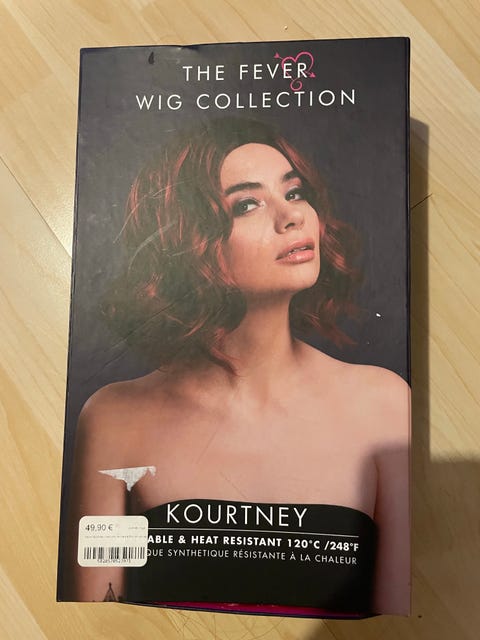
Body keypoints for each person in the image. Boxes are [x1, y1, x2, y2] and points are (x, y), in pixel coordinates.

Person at [66, 118, 410, 615]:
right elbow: (95, 624)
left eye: (295, 192)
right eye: (247, 204)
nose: (291, 216)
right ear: (188, 238)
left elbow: (402, 626)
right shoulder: (115, 416)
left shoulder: (383, 403)